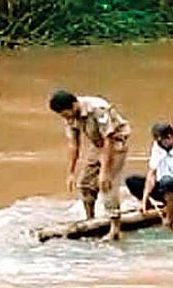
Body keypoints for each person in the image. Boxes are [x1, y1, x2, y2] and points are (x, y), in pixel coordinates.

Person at [49, 89, 131, 241]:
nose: (65, 118)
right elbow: (74, 144)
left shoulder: (98, 109)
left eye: (66, 114)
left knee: (107, 184)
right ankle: (91, 220)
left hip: (115, 141)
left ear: (74, 105)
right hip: (97, 143)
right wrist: (71, 173)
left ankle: (115, 228)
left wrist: (105, 172)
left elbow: (108, 140)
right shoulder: (70, 116)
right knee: (85, 183)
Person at [125, 123, 173, 230]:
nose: (159, 144)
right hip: (163, 188)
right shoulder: (158, 147)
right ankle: (152, 207)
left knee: (167, 182)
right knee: (132, 181)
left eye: (161, 141)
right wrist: (144, 200)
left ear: (170, 137)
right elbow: (151, 174)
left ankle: (169, 218)